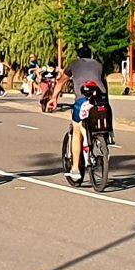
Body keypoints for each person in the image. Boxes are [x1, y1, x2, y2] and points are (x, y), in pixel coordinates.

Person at [46, 45, 109, 182]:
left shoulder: (74, 64)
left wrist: (53, 99)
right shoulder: (98, 64)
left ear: (79, 56)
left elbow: (61, 81)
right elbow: (104, 83)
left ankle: (75, 168)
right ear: (91, 55)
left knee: (76, 131)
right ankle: (103, 142)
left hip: (82, 100)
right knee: (99, 124)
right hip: (101, 100)